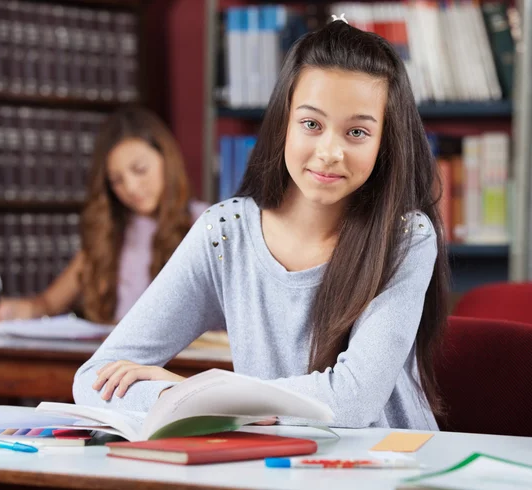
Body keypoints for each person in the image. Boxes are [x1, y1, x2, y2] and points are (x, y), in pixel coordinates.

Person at [73, 17, 450, 430]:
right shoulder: (224, 234)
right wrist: (184, 397)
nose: (329, 152)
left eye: (357, 132)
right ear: (284, 122)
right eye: (311, 124)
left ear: (385, 142)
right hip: (274, 466)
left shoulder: (405, 237)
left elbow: (351, 403)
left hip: (390, 468)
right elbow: (95, 379)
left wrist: (202, 396)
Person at [0, 105, 209, 325]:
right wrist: (6, 311)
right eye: (116, 181)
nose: (131, 188)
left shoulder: (207, 225)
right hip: (115, 363)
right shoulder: (109, 232)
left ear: (167, 160)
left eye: (140, 170)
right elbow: (47, 304)